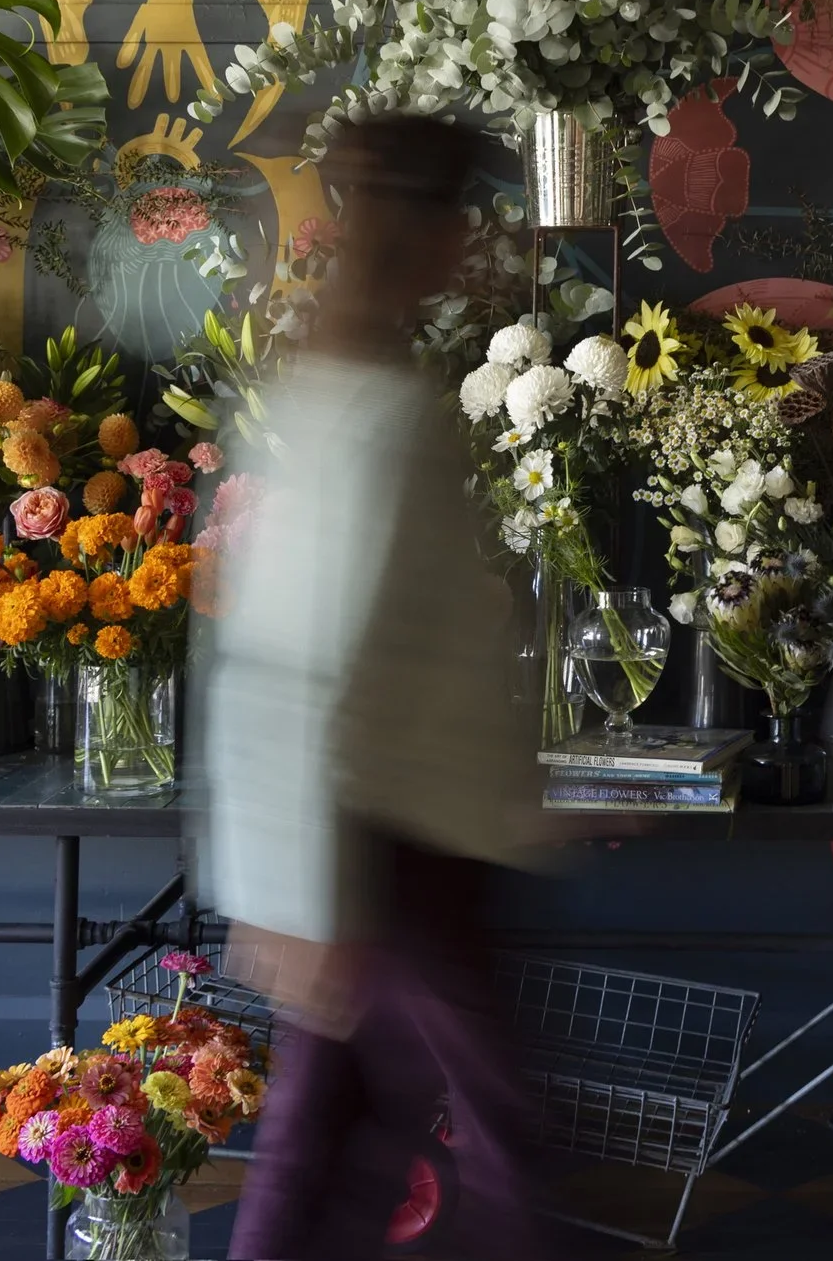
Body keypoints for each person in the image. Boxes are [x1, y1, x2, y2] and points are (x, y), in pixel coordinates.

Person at [197, 115, 552, 1260]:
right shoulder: (370, 411)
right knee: (499, 1157)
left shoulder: (370, 381)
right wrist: (296, 894)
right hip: (382, 857)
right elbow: (296, 664)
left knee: (324, 1157)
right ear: (433, 235)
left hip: (397, 849)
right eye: (463, 222)